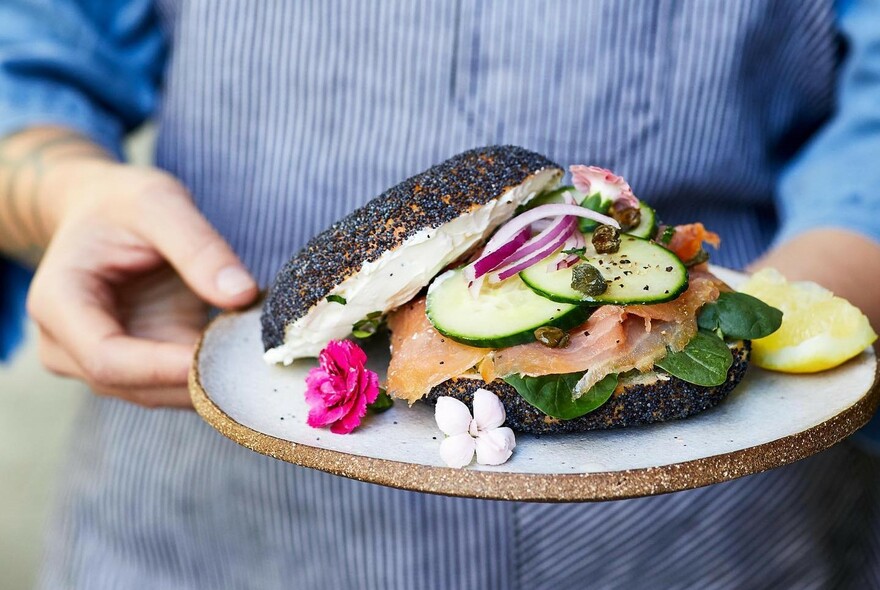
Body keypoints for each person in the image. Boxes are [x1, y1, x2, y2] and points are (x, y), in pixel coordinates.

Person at [2, 1, 880, 588]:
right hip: (210, 525)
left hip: (715, 541)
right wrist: (61, 193)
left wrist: (813, 305)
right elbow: (28, 57)